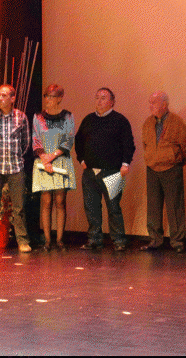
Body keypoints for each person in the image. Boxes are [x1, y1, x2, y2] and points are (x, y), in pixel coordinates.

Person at [75, 87, 136, 251]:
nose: (99, 101)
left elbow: (128, 144)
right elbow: (78, 141)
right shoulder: (88, 120)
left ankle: (119, 240)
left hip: (113, 171)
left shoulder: (120, 121)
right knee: (91, 207)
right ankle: (94, 239)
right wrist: (81, 160)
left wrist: (125, 164)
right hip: (90, 172)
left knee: (113, 207)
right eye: (97, 97)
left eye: (103, 98)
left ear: (112, 102)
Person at [0, 84, 32, 254]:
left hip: (15, 166)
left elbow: (25, 142)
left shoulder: (21, 117)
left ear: (12, 98)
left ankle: (22, 241)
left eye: (4, 95)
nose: (0, 98)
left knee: (19, 207)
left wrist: (15, 156)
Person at [141, 91, 186, 253]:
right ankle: (155, 240)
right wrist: (151, 158)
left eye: (154, 102)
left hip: (171, 168)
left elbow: (185, 146)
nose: (150, 106)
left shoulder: (176, 122)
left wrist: (176, 160)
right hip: (152, 169)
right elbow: (145, 144)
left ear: (164, 104)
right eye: (149, 102)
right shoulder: (148, 123)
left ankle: (177, 242)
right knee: (153, 206)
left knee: (175, 206)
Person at [32, 84, 76, 251]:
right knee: (46, 201)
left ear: (59, 98)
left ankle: (59, 239)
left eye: (51, 96)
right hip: (44, 161)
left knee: (60, 201)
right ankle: (47, 240)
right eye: (46, 96)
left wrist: (52, 156)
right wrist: (45, 158)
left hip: (60, 160)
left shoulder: (67, 116)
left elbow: (69, 139)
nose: (48, 99)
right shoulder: (38, 117)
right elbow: (36, 138)